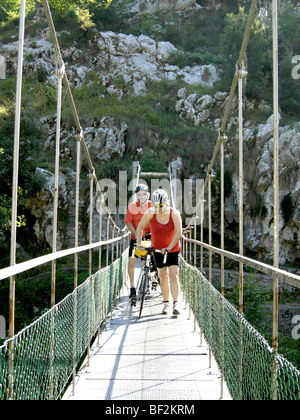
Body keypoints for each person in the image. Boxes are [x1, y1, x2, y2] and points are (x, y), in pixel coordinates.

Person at [136, 188, 182, 315]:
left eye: (161, 206)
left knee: (173, 274)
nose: (158, 209)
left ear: (166, 203)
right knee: (163, 276)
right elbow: (139, 227)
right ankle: (166, 303)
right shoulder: (151, 212)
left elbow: (179, 233)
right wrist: (139, 243)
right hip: (157, 250)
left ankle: (176, 303)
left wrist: (167, 248)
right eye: (156, 206)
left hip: (172, 249)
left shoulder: (174, 213)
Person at [125, 184, 151, 302]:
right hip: (135, 237)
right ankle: (132, 288)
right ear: (136, 195)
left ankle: (145, 283)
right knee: (132, 261)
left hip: (149, 237)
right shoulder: (132, 206)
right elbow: (128, 222)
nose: (142, 196)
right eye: (139, 194)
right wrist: (136, 235)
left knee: (145, 261)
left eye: (144, 193)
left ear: (148, 194)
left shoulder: (152, 206)